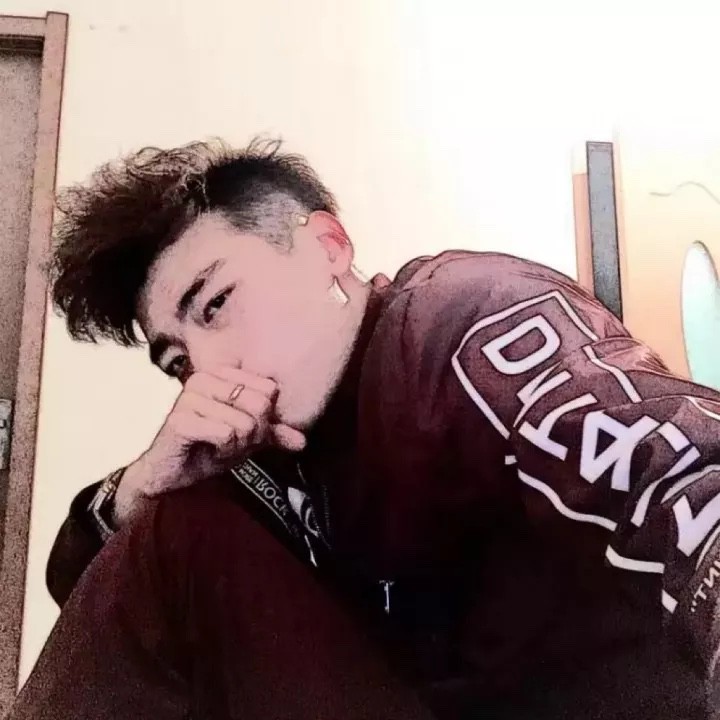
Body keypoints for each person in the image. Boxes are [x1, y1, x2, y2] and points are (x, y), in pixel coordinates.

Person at [7, 137, 720, 720]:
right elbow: (101, 608)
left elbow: (672, 469)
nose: (207, 371)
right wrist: (141, 487)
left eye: (217, 303)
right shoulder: (254, 460)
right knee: (170, 531)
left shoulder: (458, 325)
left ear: (328, 246)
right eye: (177, 362)